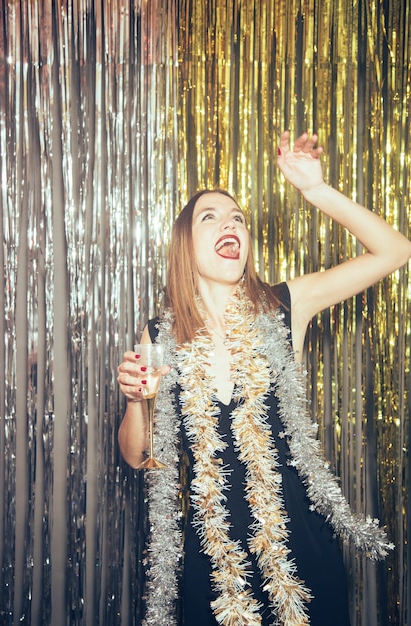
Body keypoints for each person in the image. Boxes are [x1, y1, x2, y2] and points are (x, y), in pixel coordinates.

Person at [117, 131, 411, 626]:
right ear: (185, 245)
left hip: (301, 555)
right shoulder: (158, 334)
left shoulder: (283, 306)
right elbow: (138, 457)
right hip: (213, 567)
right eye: (209, 217)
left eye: (238, 218)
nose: (229, 223)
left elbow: (394, 251)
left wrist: (316, 191)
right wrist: (135, 401)